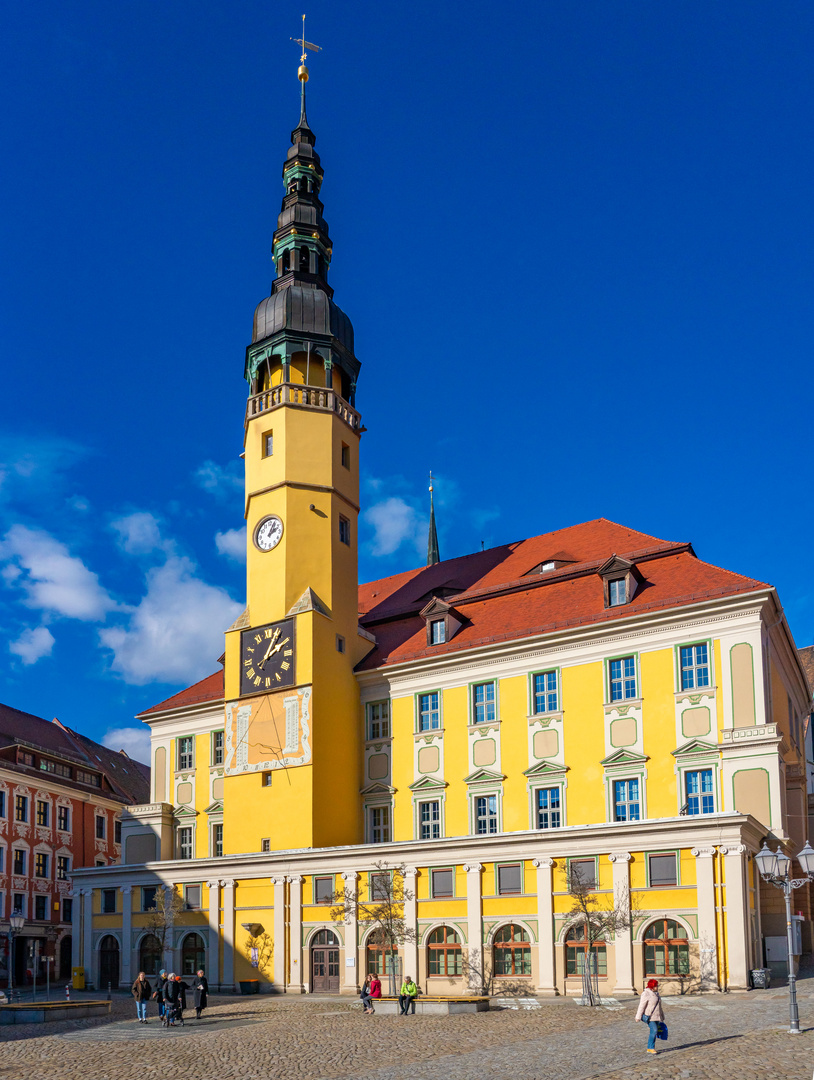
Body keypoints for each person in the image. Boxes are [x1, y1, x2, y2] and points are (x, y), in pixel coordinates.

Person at [635, 978, 666, 1054]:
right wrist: (638, 1017)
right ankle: (651, 1048)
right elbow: (641, 1006)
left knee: (654, 1031)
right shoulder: (646, 994)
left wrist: (662, 1016)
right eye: (656, 986)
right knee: (654, 1030)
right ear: (652, 986)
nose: (657, 987)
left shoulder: (656, 994)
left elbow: (659, 1007)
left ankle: (649, 1048)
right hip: (649, 1016)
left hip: (657, 1016)